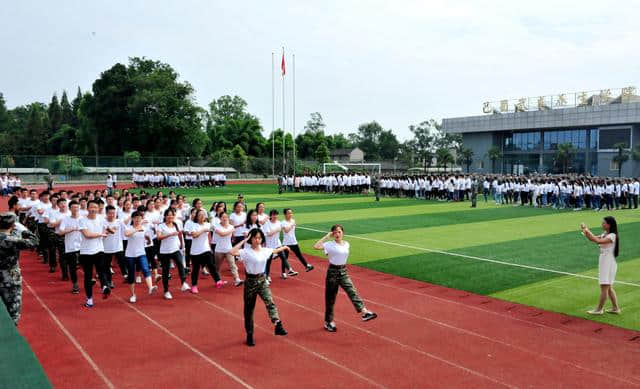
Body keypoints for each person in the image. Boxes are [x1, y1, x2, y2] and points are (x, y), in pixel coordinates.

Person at [229, 228, 289, 347]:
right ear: (251, 239)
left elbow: (275, 250)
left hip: (262, 280)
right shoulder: (245, 251)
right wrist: (244, 240)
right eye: (255, 238)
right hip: (250, 282)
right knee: (249, 310)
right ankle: (250, 335)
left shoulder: (265, 250)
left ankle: (277, 324)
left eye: (260, 238)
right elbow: (232, 251)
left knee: (270, 301)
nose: (258, 240)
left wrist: (285, 247)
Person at [312, 224, 377, 332]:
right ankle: (329, 322)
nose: (337, 234)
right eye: (335, 232)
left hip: (343, 271)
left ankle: (364, 312)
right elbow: (316, 246)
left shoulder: (347, 244)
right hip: (332, 272)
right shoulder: (329, 244)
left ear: (343, 233)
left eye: (339, 232)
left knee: (352, 291)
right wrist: (326, 236)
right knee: (330, 298)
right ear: (332, 234)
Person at [0, 213, 38, 325]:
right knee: (13, 310)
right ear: (12, 226)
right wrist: (24, 230)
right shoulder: (12, 240)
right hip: (10, 278)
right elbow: (34, 242)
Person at [580, 217, 621, 315]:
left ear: (609, 225)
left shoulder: (612, 236)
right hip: (606, 261)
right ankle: (616, 308)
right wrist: (585, 229)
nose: (602, 224)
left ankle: (599, 309)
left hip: (607, 263)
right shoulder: (605, 234)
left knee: (604, 288)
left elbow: (597, 241)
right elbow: (593, 238)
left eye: (604, 223)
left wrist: (586, 229)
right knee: (609, 287)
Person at [78, 200, 110, 308]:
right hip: (86, 252)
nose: (93, 209)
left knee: (101, 270)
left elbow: (107, 228)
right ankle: (90, 298)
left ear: (98, 209)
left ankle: (105, 286)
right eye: (91, 207)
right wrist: (101, 234)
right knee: (88, 275)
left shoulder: (101, 219)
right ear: (87, 208)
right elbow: (87, 235)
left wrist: (110, 230)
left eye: (95, 207)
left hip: (99, 249)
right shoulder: (82, 221)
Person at [124, 211, 158, 303]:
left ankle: (150, 287)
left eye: (139, 218)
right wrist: (137, 229)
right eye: (136, 218)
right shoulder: (129, 227)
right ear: (133, 219)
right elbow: (127, 234)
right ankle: (133, 294)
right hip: (130, 255)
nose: (138, 219)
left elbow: (147, 236)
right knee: (131, 276)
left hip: (141, 253)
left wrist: (147, 240)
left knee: (145, 269)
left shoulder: (144, 228)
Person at [156, 209, 190, 299]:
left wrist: (181, 246)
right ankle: (166, 291)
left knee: (180, 264)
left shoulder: (176, 224)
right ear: (165, 216)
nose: (170, 216)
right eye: (168, 215)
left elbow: (179, 236)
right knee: (166, 271)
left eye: (172, 215)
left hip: (175, 249)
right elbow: (159, 237)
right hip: (165, 251)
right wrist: (170, 234)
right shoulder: (160, 226)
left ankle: (183, 283)